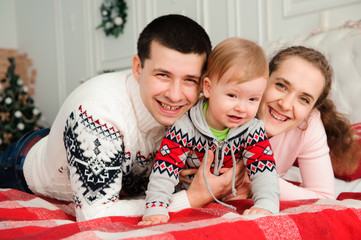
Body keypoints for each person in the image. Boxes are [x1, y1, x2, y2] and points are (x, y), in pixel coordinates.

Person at [0, 14, 245, 222]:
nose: (175, 95)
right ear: (138, 68)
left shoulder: (201, 106)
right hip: (22, 166)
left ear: (203, 83)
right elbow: (95, 214)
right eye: (163, 75)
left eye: (189, 80)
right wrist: (192, 198)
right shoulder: (98, 114)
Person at [138, 38, 280, 225]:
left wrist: (266, 204)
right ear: (208, 88)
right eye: (232, 95)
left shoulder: (252, 129)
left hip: (231, 198)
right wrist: (156, 207)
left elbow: (264, 169)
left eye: (253, 99)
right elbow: (165, 168)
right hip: (189, 198)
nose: (242, 108)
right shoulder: (185, 126)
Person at [207, 45, 360, 202]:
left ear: (311, 110)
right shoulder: (227, 105)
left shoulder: (309, 122)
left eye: (304, 99)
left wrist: (256, 178)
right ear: (263, 81)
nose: (286, 105)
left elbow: (324, 197)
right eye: (281, 86)